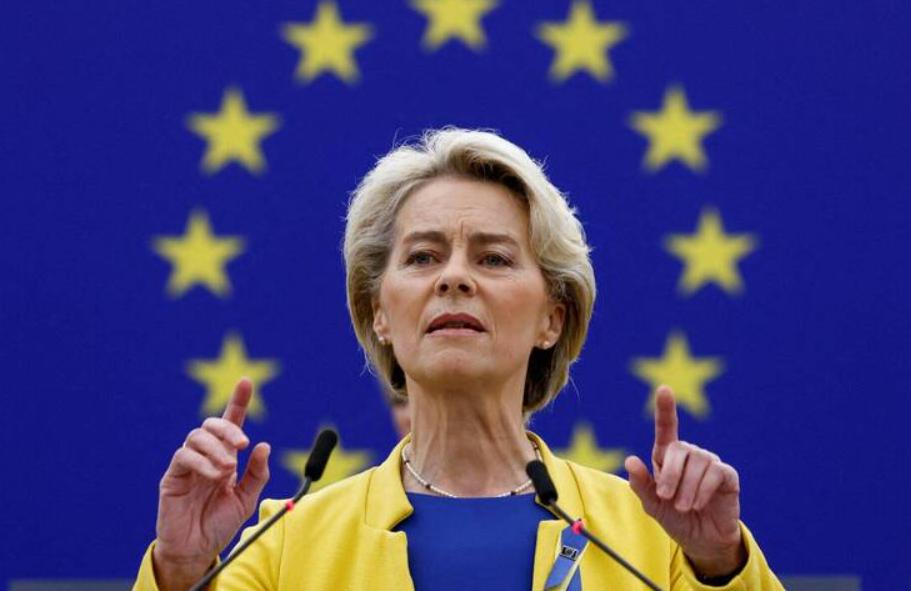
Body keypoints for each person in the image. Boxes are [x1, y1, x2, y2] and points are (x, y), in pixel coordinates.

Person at [134, 128, 783, 590]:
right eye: (422, 256)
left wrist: (718, 565)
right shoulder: (284, 543)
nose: (453, 278)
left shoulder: (650, 539)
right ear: (379, 312)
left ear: (552, 317)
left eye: (493, 258)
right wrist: (182, 570)